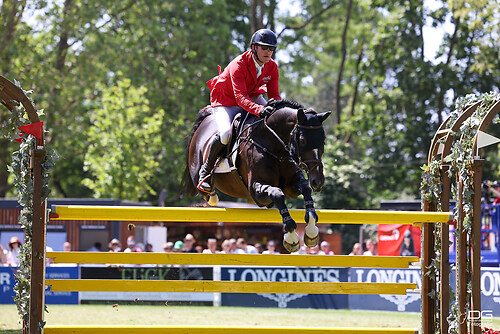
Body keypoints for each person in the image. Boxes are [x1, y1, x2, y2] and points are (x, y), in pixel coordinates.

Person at [197, 28, 281, 193]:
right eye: (264, 47)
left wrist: (278, 112)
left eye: (271, 48)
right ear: (253, 47)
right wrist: (259, 110)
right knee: (225, 134)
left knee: (273, 118)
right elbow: (240, 98)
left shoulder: (272, 67)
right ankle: (205, 172)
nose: (268, 51)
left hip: (252, 96)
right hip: (226, 101)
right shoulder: (239, 64)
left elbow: (275, 96)